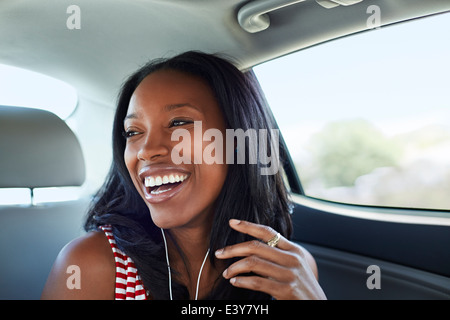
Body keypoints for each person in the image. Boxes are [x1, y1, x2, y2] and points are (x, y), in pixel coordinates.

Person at [41, 51, 326, 300]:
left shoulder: (287, 269)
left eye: (179, 123)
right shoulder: (90, 266)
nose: (147, 151)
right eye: (133, 132)